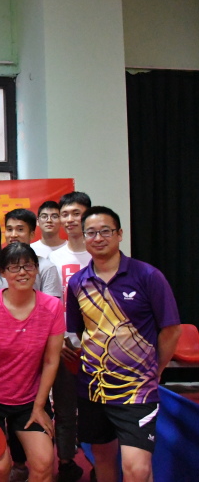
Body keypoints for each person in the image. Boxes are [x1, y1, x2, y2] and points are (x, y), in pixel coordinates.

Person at [66, 206, 181, 482]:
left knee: (136, 469)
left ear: (119, 234)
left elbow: (171, 330)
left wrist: (156, 370)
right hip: (93, 388)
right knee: (103, 461)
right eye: (91, 233)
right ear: (84, 237)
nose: (98, 238)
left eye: (105, 231)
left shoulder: (148, 276)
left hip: (137, 390)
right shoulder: (78, 282)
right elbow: (78, 332)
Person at [0, 243, 64, 482]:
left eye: (28, 266)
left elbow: (51, 360)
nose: (22, 272)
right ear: (2, 272)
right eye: (14, 267)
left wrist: (39, 406)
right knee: (0, 468)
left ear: (37, 269)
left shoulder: (52, 307)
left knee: (44, 464)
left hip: (29, 399)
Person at [48, 192, 92, 482]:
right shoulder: (52, 258)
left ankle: (101, 461)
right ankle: (66, 461)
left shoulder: (99, 252)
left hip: (99, 348)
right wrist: (58, 341)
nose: (70, 219)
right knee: (64, 408)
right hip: (62, 345)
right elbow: (47, 305)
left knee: (98, 408)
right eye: (65, 214)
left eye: (76, 213)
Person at [0, 209, 61, 299]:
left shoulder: (46, 267)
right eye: (9, 229)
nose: (13, 235)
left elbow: (51, 304)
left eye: (20, 229)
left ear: (32, 234)